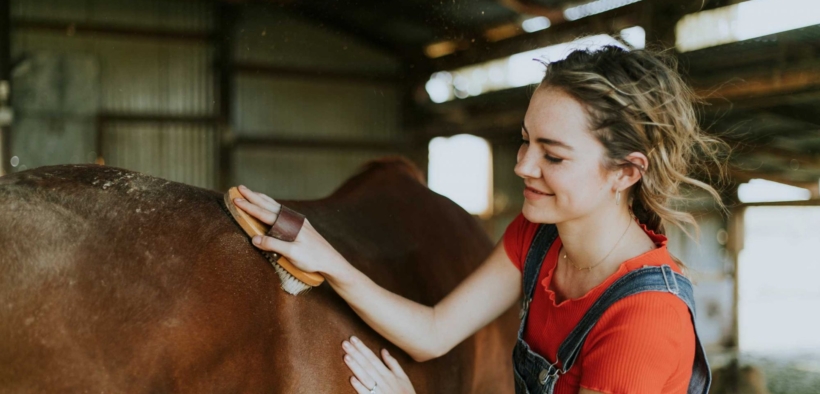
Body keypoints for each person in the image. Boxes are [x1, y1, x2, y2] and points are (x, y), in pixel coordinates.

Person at [232, 45, 727, 394]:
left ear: (624, 171)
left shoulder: (644, 320)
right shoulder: (537, 238)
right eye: (525, 140)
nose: (523, 167)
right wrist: (327, 257)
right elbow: (432, 333)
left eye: (552, 156)